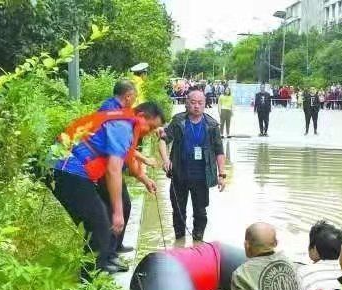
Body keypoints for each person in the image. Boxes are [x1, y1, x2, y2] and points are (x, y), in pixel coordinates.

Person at [52, 102, 165, 276]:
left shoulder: (126, 125)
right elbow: (113, 170)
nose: (149, 132)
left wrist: (144, 179)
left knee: (100, 223)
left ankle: (96, 271)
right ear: (141, 115)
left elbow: (126, 159)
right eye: (150, 127)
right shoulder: (123, 127)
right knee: (100, 225)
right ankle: (89, 283)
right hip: (66, 169)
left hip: (69, 169)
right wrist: (118, 213)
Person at [95, 79, 158, 266]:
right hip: (102, 170)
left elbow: (128, 151)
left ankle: (114, 248)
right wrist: (143, 176)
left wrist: (144, 169)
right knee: (112, 212)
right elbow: (120, 162)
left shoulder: (113, 109)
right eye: (152, 127)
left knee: (124, 206)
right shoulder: (119, 118)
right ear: (128, 96)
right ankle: (108, 255)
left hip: (104, 167)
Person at [159, 89, 226, 242]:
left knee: (201, 213)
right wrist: (165, 160)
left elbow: (219, 151)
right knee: (178, 212)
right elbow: (163, 140)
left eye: (200, 103)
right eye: (193, 102)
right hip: (179, 174)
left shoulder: (211, 125)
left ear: (205, 104)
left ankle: (198, 241)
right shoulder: (178, 121)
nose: (196, 106)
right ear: (186, 103)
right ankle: (179, 241)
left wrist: (222, 175)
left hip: (202, 176)